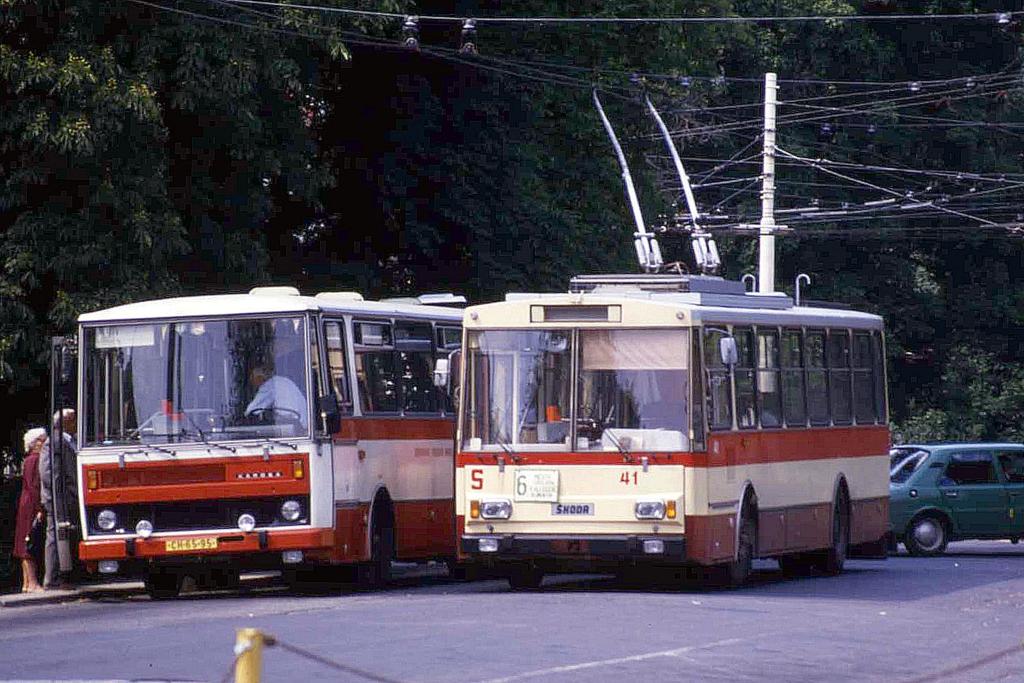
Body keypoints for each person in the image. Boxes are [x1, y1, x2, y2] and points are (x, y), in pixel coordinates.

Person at [39, 408, 77, 590]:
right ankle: (52, 579)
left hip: (65, 497)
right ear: (65, 423)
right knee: (55, 536)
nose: (76, 423)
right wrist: (60, 496)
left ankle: (65, 575)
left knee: (63, 535)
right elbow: (49, 474)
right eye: (73, 420)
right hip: (57, 498)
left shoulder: (67, 441)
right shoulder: (53, 442)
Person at [13, 428, 46, 592]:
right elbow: (34, 486)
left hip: (26, 503)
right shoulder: (35, 460)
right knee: (30, 541)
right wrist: (39, 507)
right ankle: (32, 583)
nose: (44, 442)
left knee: (25, 541)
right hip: (31, 504)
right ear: (34, 443)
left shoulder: (29, 460)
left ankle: (27, 583)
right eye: (42, 439)